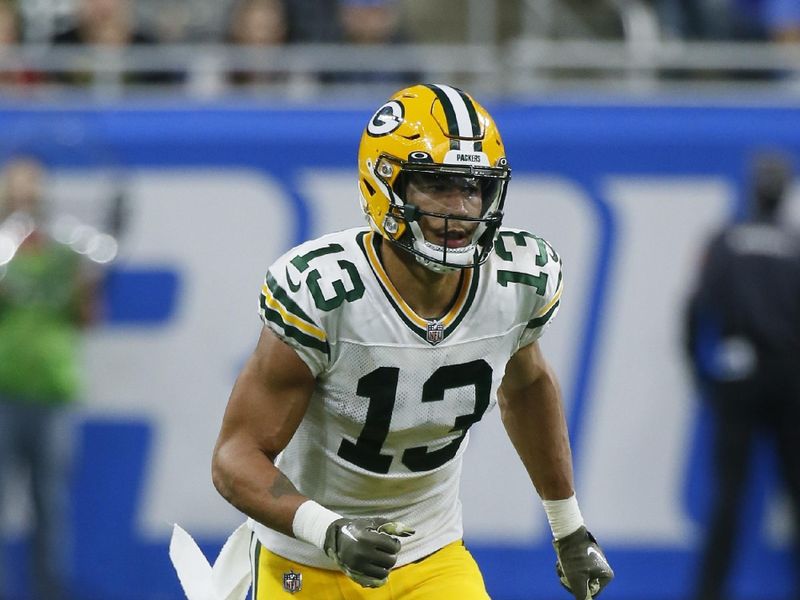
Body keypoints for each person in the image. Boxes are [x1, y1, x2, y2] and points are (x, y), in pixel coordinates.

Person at [210, 84, 614, 599]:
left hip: (430, 552)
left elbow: (528, 387)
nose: (462, 209)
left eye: (474, 188)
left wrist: (568, 526)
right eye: (438, 185)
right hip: (309, 562)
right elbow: (235, 455)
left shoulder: (515, 282)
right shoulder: (328, 294)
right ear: (385, 183)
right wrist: (328, 531)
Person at [685, 151, 800, 600]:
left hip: (739, 375)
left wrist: (700, 372)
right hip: (791, 378)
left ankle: (709, 592)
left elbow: (696, 311)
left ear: (753, 191)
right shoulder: (794, 246)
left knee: (729, 494)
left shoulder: (726, 241)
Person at [0, 156, 99, 600]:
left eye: (31, 191)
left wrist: (86, 284)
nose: (24, 199)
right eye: (16, 191)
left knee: (51, 508)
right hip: (3, 394)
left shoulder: (64, 255)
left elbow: (87, 319)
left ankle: (49, 594)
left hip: (54, 395)